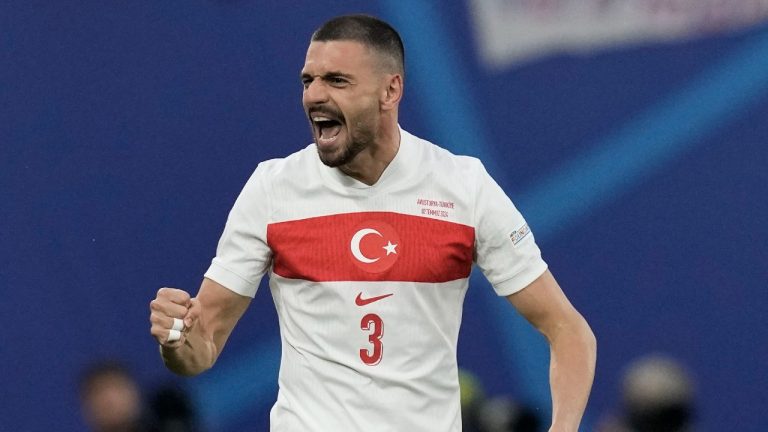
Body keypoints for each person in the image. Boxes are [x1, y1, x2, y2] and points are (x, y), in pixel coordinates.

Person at [149, 14, 596, 432]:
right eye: (308, 81)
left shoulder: (464, 186)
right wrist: (177, 339)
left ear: (390, 90)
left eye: (337, 81)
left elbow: (568, 330)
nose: (314, 95)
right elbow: (201, 348)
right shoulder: (273, 188)